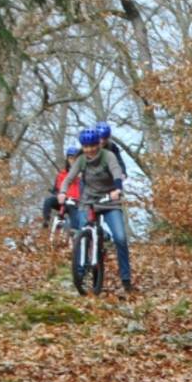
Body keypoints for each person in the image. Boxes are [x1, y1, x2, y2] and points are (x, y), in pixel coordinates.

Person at [58, 126, 134, 293]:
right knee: (82, 235)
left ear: (98, 144)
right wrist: (62, 192)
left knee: (120, 238)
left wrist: (118, 189)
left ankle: (126, 279)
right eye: (86, 147)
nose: (89, 150)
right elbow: (69, 178)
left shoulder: (108, 156)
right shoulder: (81, 160)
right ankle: (79, 275)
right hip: (89, 201)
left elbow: (117, 172)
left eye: (92, 146)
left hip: (109, 200)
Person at [42, 146, 80, 228]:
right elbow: (57, 188)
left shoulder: (82, 174)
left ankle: (74, 232)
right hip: (63, 200)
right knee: (48, 201)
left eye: (75, 159)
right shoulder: (62, 174)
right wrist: (57, 193)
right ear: (67, 159)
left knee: (75, 223)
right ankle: (46, 221)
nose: (72, 161)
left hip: (75, 203)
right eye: (71, 158)